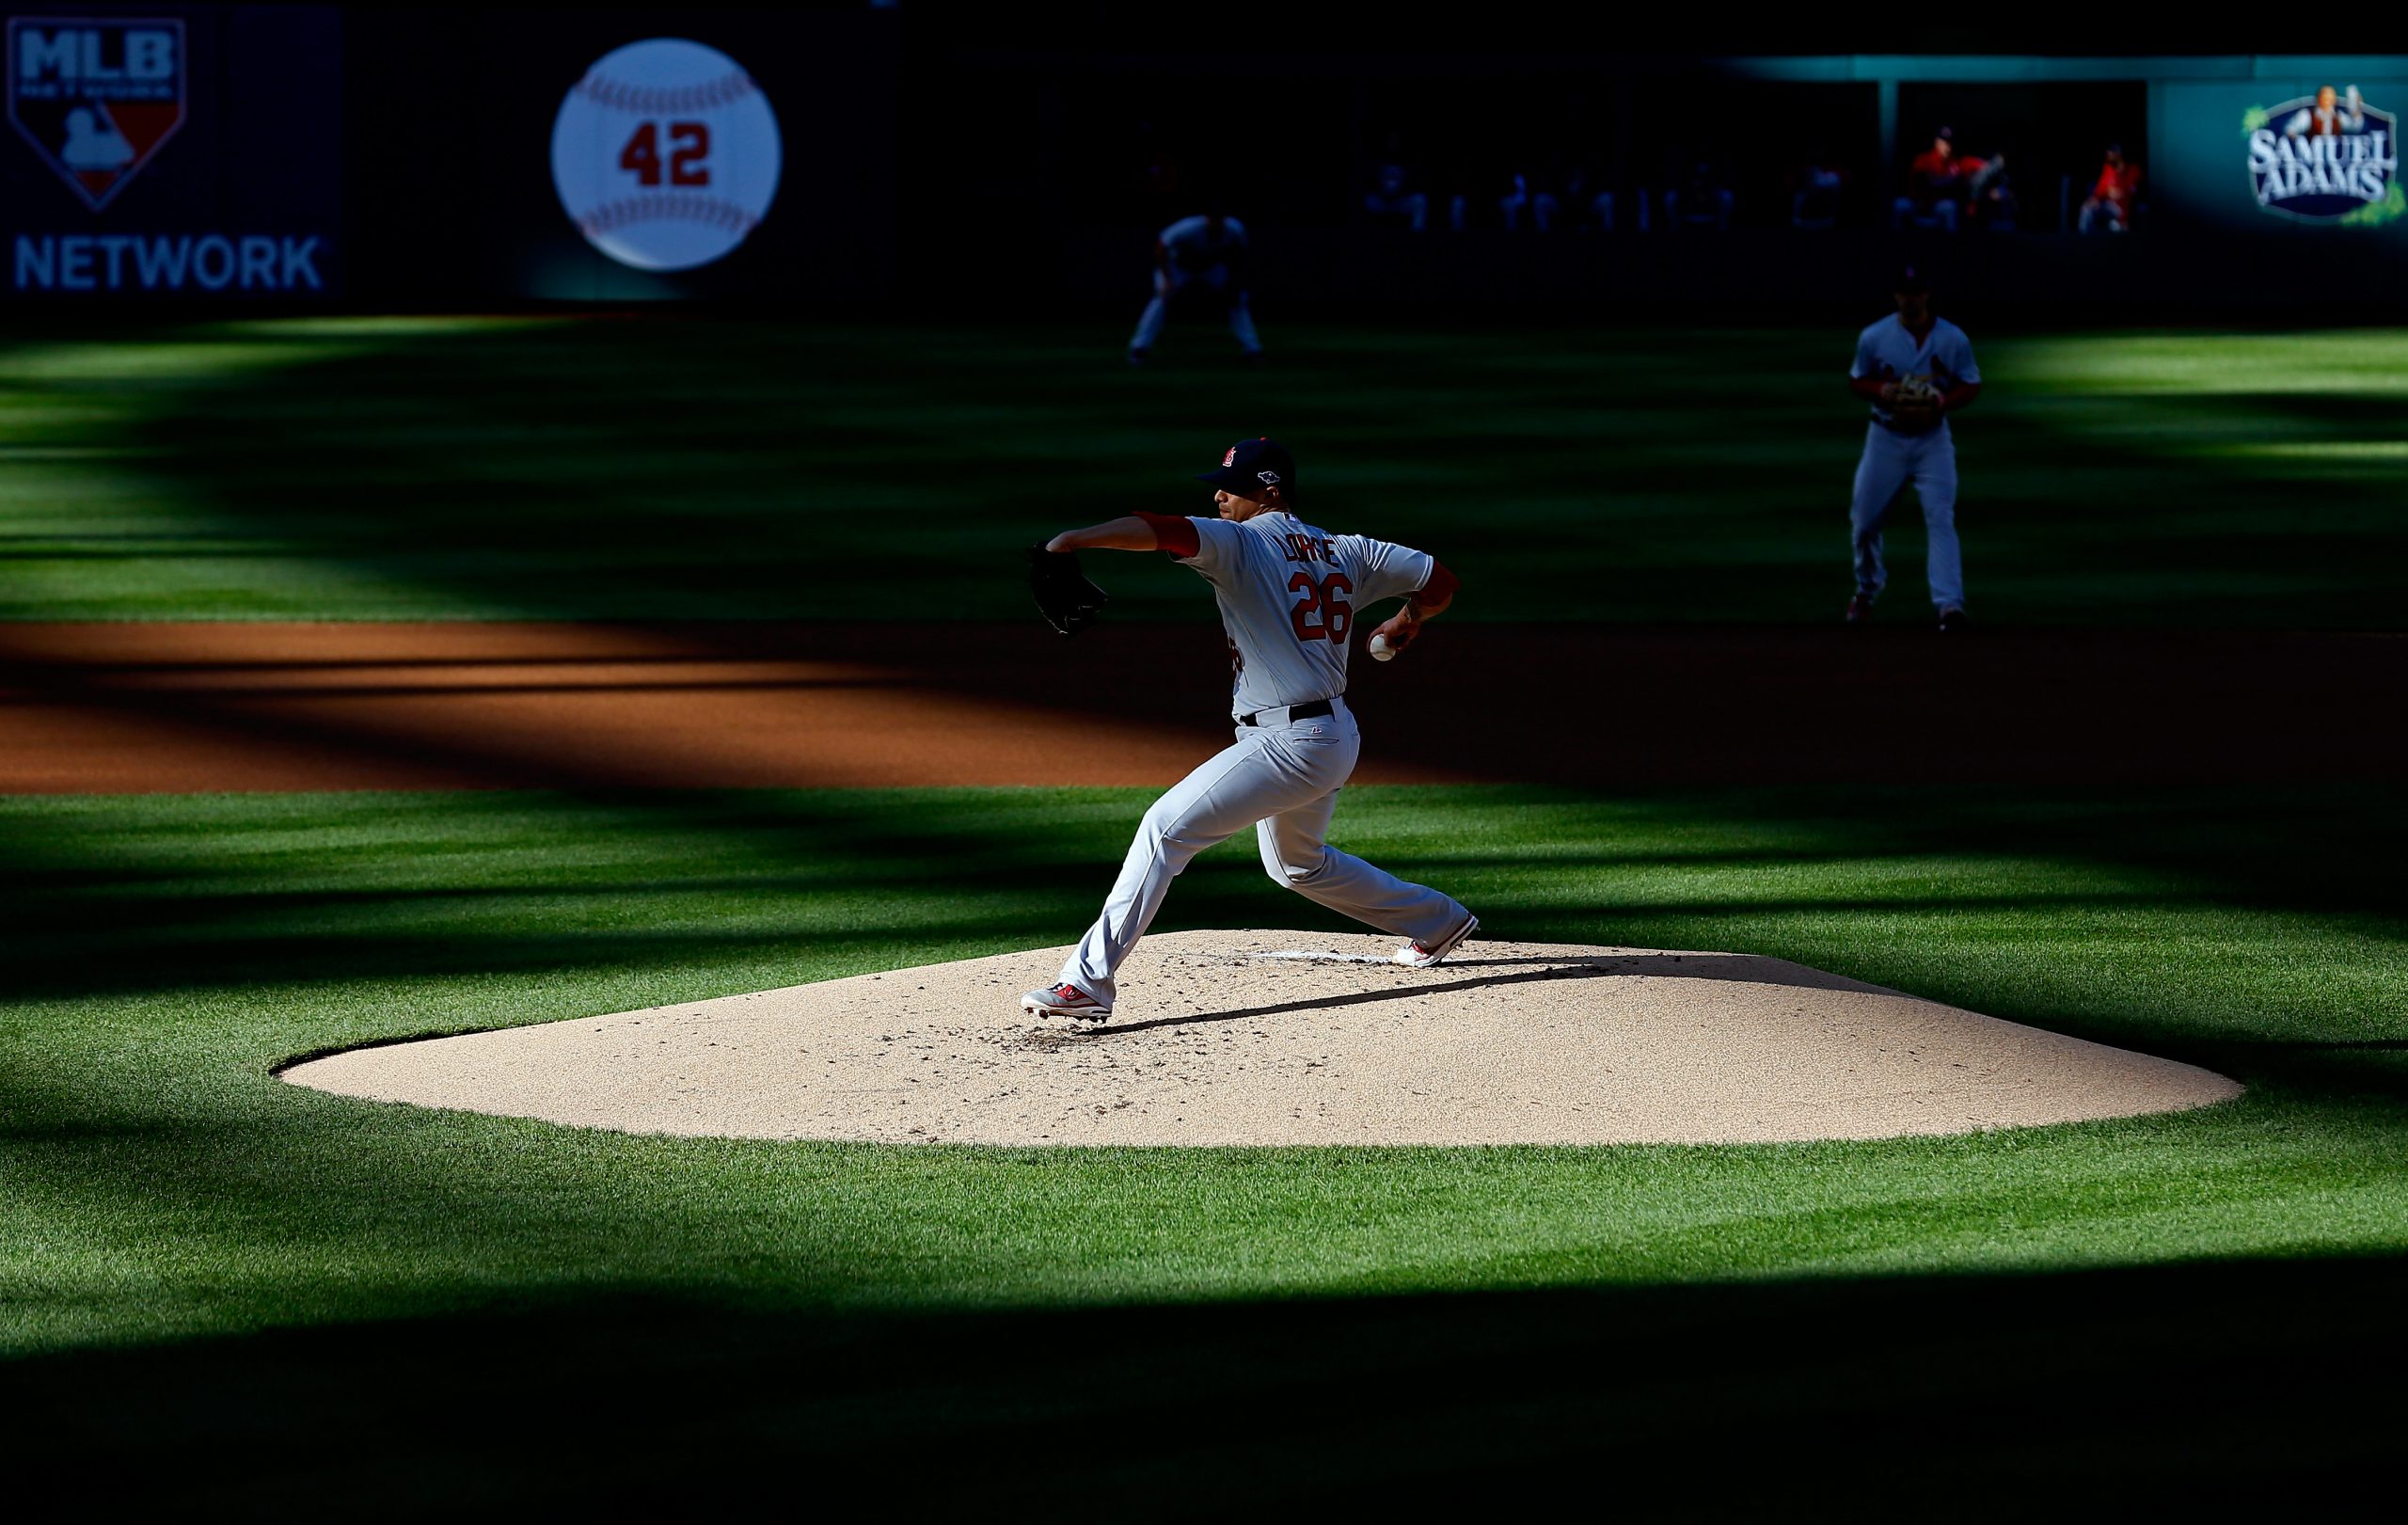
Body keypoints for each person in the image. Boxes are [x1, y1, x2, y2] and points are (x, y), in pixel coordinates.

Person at [1021, 437, 1478, 1023]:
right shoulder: (1348, 550)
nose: (1218, 495)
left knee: (1164, 829)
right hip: (1334, 735)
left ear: (1268, 491)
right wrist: (1405, 622)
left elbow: (1161, 528)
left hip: (1289, 745)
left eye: (1231, 487)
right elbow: (1439, 580)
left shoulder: (1240, 542)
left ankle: (1087, 982)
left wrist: (1070, 541)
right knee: (1297, 865)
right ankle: (1438, 921)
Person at [1844, 266, 1983, 630]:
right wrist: (1881, 391)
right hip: (1885, 438)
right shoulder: (1874, 336)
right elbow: (1857, 379)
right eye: (1905, 292)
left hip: (1932, 441)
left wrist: (1943, 402)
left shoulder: (1953, 338)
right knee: (1865, 523)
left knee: (1940, 518)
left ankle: (1950, 606)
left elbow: (1971, 384)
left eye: (1917, 292)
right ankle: (1867, 589)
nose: (1911, 298)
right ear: (1896, 296)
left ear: (1927, 294)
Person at [1127, 212, 1263, 367]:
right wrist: (1167, 279)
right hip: (1179, 266)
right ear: (1207, 219)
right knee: (1161, 298)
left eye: (1220, 219)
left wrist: (1234, 282)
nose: (1217, 223)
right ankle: (1139, 347)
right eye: (1213, 219)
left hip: (1210, 267)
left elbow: (1239, 254)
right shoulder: (1189, 227)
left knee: (1237, 298)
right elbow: (1161, 247)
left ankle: (1252, 349)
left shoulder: (1234, 229)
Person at [1892, 127, 1967, 231]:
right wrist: (1947, 180)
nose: (1947, 146)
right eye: (1944, 142)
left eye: (1949, 143)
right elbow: (1923, 183)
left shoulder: (1953, 164)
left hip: (1936, 205)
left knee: (1951, 207)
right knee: (1897, 206)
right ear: (1937, 142)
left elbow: (1959, 181)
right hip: (1917, 203)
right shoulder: (1924, 159)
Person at [2078, 145, 2143, 233]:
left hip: (2123, 209)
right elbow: (2100, 190)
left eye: (2111, 152)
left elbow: (2128, 192)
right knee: (2087, 208)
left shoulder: (2133, 169)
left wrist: (2116, 191)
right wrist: (2095, 198)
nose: (2108, 155)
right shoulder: (2108, 169)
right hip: (2109, 205)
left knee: (2115, 227)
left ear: (2119, 154)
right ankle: (2085, 240)